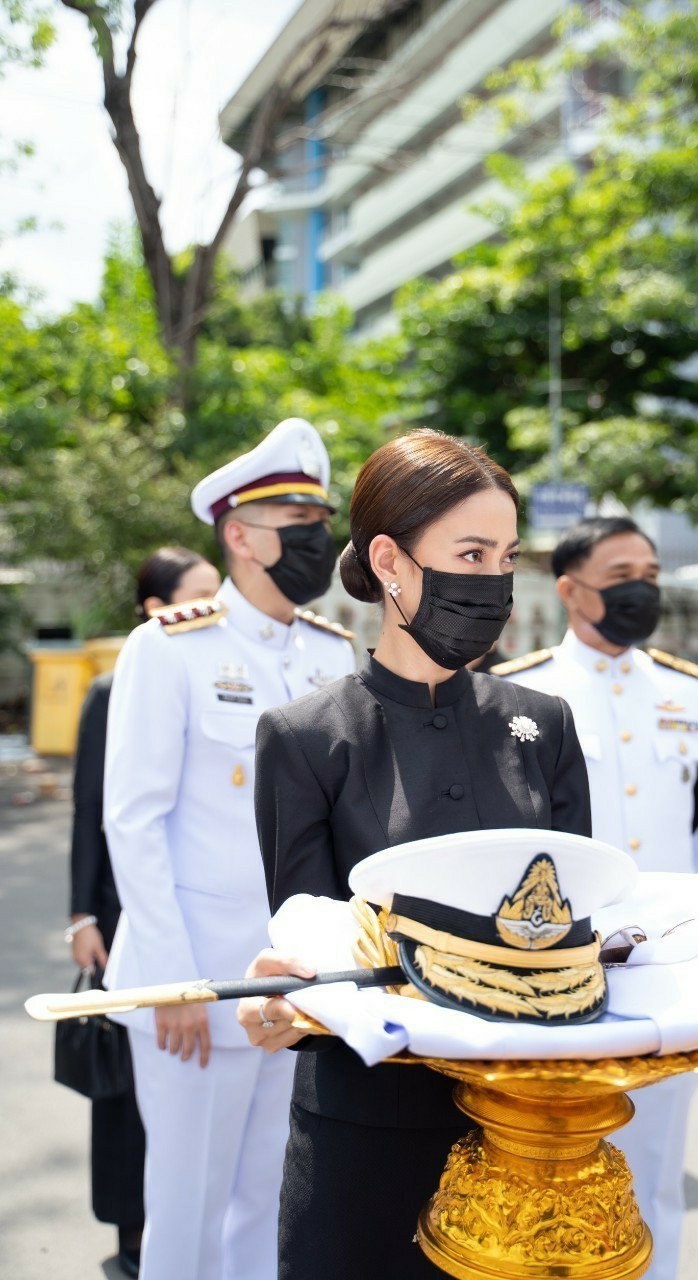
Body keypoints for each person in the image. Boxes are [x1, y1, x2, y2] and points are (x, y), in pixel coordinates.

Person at [235, 428, 592, 1280]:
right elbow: (311, 940)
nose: (493, 581)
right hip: (366, 1135)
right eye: (469, 551)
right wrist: (287, 1005)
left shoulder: (543, 723)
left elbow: (586, 920)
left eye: (505, 555)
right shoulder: (306, 737)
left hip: (527, 1127)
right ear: (389, 560)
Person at [103, 419, 356, 1280]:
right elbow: (133, 822)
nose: (317, 536)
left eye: (321, 518)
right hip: (197, 985)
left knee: (270, 1202)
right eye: (295, 518)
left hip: (293, 983)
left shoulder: (330, 655)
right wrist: (172, 983)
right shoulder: (170, 647)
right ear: (240, 535)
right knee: (188, 1205)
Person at [492, 515, 698, 1280]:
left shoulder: (683, 689)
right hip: (562, 973)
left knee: (656, 1172)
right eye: (619, 576)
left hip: (671, 970)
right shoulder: (519, 690)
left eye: (650, 574)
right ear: (569, 590)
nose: (641, 589)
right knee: (549, 1172)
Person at [67, 546, 220, 1279]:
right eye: (195, 595)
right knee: (127, 1101)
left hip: (182, 915)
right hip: (123, 914)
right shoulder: (113, 687)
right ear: (154, 608)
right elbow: (96, 813)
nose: (211, 606)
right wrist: (81, 917)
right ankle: (131, 1237)